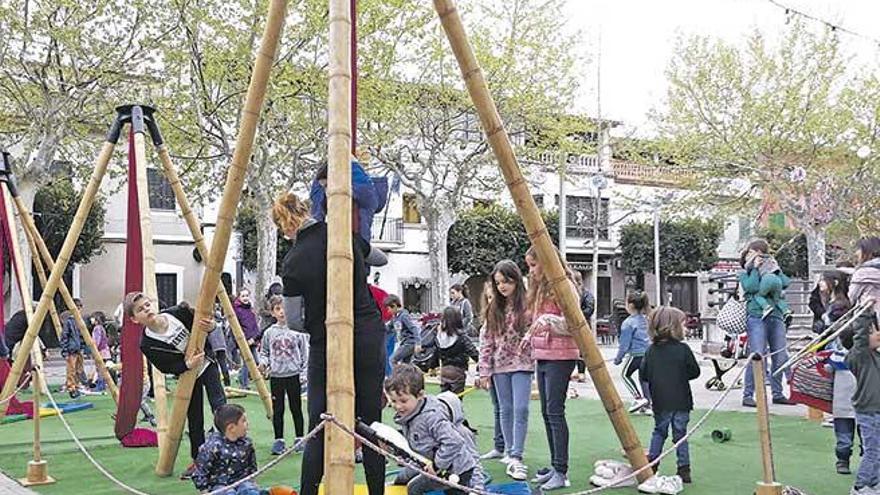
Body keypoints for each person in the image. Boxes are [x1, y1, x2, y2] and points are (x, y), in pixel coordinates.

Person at [274, 191, 386, 495]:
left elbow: (294, 320)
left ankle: (309, 492)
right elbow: (382, 258)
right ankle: (378, 492)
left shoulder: (293, 260)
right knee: (371, 423)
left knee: (319, 425)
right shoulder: (342, 235)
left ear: (285, 226)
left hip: (326, 342)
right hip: (366, 333)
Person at [127, 292, 227, 479]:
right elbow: (165, 367)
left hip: (206, 363)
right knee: (194, 419)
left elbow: (206, 325)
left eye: (147, 305)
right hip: (188, 374)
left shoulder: (177, 313)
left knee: (221, 407)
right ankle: (198, 460)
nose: (146, 309)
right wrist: (186, 365)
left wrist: (211, 326)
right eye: (140, 309)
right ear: (134, 319)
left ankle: (229, 451)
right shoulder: (147, 343)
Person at [522, 247, 580, 490]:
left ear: (547, 263)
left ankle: (561, 470)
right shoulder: (537, 290)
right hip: (543, 353)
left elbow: (574, 323)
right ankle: (555, 466)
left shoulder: (563, 285)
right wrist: (529, 334)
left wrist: (548, 321)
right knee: (547, 412)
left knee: (555, 411)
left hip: (562, 355)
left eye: (534, 265)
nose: (531, 271)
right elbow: (536, 322)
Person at [387, 364, 484, 494]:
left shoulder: (432, 417)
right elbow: (418, 453)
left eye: (403, 401)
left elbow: (456, 443)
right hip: (436, 466)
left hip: (456, 470)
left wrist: (437, 466)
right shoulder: (411, 415)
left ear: (420, 395)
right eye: (393, 401)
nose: (398, 406)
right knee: (414, 488)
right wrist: (398, 480)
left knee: (420, 489)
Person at [476, 259, 532, 482]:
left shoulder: (527, 305)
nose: (502, 286)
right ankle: (510, 451)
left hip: (523, 364)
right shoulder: (494, 308)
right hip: (500, 366)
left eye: (506, 281)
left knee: (521, 408)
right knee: (505, 409)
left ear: (516, 280)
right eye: (498, 283)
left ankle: (516, 453)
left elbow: (533, 330)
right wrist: (484, 370)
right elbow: (487, 341)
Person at [640, 306, 700, 484]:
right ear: (674, 327)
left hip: (660, 400)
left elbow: (644, 374)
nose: (686, 328)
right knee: (680, 435)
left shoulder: (651, 351)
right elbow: (694, 372)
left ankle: (652, 464)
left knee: (659, 431)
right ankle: (684, 469)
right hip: (681, 400)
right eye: (683, 324)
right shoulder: (683, 349)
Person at [740, 239, 794, 407]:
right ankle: (748, 394)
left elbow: (784, 283)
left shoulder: (771, 266)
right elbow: (752, 287)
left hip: (776, 315)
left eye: (754, 252)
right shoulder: (744, 273)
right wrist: (755, 268)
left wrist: (774, 269)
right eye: (749, 252)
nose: (752, 255)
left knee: (780, 354)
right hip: (756, 316)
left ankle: (777, 393)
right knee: (757, 354)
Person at [309, 160, 388, 267]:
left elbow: (369, 198)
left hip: (355, 243)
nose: (326, 191)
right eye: (324, 187)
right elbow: (317, 208)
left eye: (327, 185)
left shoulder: (362, 193)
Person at [259, 295, 309, 456]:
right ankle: (278, 440)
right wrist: (264, 363)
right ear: (272, 312)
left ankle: (300, 438)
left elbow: (305, 354)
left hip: (294, 375)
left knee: (296, 408)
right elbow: (264, 352)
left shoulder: (298, 332)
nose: (281, 312)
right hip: (277, 376)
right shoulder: (269, 333)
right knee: (277, 409)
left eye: (283, 308)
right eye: (277, 309)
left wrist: (303, 373)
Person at [845, 307, 880, 495]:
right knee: (872, 451)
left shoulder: (875, 356)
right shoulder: (861, 357)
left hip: (877, 410)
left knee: (878, 452)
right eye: (872, 331)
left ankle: (873, 484)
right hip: (868, 412)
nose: (877, 334)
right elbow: (860, 337)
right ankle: (860, 486)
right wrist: (865, 312)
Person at [191, 404, 260, 494]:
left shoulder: (247, 443)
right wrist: (204, 491)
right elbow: (200, 472)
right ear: (231, 428)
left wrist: (253, 483)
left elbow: (252, 466)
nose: (247, 424)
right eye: (243, 421)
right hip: (219, 485)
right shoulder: (212, 446)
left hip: (242, 481)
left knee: (250, 491)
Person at [477, 280, 507, 462]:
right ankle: (499, 446)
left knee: (506, 409)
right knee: (497, 408)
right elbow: (483, 347)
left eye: (493, 297)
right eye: (488, 298)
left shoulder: (505, 318)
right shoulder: (488, 319)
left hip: (504, 368)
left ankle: (510, 449)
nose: (491, 301)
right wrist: (483, 371)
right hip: (492, 368)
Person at [422, 306, 478, 394]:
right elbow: (474, 353)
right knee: (456, 400)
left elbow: (435, 353)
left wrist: (432, 367)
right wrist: (482, 367)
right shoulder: (461, 337)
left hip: (444, 371)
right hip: (458, 371)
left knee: (445, 397)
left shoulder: (440, 336)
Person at [613, 291, 652, 414]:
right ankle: (648, 406)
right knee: (644, 379)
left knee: (625, 375)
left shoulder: (628, 323)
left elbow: (624, 344)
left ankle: (638, 398)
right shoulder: (646, 320)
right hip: (648, 354)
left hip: (635, 355)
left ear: (630, 305)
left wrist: (618, 358)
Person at [828, 327, 860, 476]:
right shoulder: (865, 358)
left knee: (843, 437)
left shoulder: (836, 357)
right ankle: (868, 461)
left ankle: (842, 461)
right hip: (862, 405)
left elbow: (827, 368)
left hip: (841, 406)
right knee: (867, 437)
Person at [233, 289, 261, 390]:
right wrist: (245, 339)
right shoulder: (237, 310)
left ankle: (241, 377)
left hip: (253, 339)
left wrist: (256, 337)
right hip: (244, 340)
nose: (245, 298)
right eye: (243, 296)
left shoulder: (250, 309)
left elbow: (253, 325)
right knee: (247, 362)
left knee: (256, 361)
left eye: (247, 296)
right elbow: (238, 327)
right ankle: (243, 384)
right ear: (239, 298)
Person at [385, 294, 420, 366]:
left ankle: (398, 376)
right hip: (403, 343)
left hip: (409, 343)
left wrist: (418, 343)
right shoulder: (394, 317)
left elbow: (414, 328)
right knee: (406, 364)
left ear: (394, 305)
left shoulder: (404, 316)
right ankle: (412, 376)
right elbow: (388, 328)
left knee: (392, 360)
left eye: (388, 309)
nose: (388, 311)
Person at [850, 237, 880, 315]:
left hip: (870, 316)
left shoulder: (862, 273)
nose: (856, 253)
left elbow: (852, 296)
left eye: (858, 249)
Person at [572, 271, 593, 382]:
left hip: (583, 325)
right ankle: (575, 371)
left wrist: (577, 315)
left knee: (582, 350)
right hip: (571, 326)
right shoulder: (570, 293)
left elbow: (590, 309)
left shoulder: (586, 294)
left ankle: (581, 372)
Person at [59, 309, 83, 398]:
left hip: (72, 349)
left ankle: (73, 387)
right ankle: (73, 388)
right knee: (73, 369)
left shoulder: (68, 323)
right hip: (75, 348)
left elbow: (64, 337)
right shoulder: (75, 322)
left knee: (73, 370)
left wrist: (64, 351)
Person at [209, 304, 231, 387]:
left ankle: (217, 383)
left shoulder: (209, 321)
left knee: (215, 366)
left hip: (213, 346)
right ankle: (227, 383)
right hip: (221, 345)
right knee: (223, 364)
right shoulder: (221, 321)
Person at [90, 311, 112, 392]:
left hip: (100, 352)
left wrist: (94, 349)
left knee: (99, 369)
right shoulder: (101, 328)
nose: (91, 319)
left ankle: (100, 385)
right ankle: (101, 384)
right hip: (104, 351)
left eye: (92, 318)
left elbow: (97, 340)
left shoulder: (97, 328)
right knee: (101, 369)